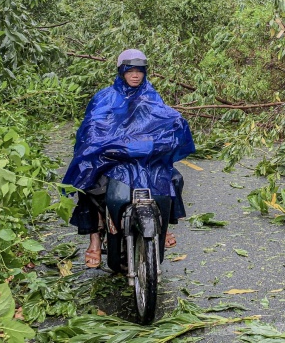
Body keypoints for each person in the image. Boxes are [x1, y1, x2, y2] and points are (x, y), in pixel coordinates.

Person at [62, 48, 195, 268]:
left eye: (140, 70)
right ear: (121, 71)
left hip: (144, 157)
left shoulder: (151, 95)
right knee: (89, 185)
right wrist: (104, 145)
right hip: (113, 158)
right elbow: (93, 126)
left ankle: (162, 224)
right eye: (130, 70)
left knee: (173, 179)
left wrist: (174, 129)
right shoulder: (105, 97)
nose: (135, 75)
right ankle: (95, 238)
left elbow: (164, 119)